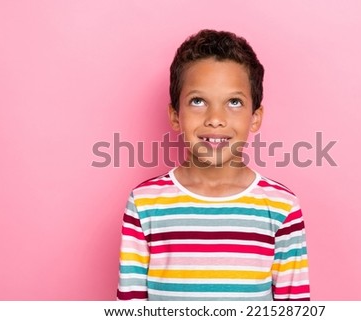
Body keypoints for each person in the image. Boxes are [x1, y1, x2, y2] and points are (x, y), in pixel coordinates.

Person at [117, 29, 309, 301]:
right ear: (175, 115)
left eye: (234, 102)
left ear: (255, 117)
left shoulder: (282, 207)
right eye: (198, 101)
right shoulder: (145, 203)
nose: (215, 118)